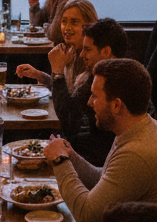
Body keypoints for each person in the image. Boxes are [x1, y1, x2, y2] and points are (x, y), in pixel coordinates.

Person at [43, 58, 157, 222]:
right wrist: (71, 156)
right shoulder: (137, 127)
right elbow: (102, 179)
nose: (89, 102)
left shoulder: (137, 153)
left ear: (116, 105)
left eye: (94, 95)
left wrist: (60, 160)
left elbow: (85, 215)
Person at [48, 17, 129, 166]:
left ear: (105, 51)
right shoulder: (102, 74)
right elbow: (72, 115)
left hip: (103, 162)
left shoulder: (112, 81)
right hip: (94, 152)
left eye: (88, 49)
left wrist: (58, 72)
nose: (82, 55)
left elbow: (69, 120)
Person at [16, 0, 99, 90]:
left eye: (74, 22)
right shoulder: (70, 51)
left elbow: (68, 101)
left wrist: (57, 71)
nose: (67, 28)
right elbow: (64, 88)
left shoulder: (90, 58)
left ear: (90, 25)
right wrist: (39, 76)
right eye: (64, 21)